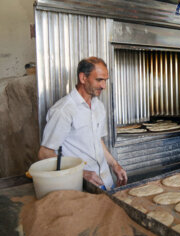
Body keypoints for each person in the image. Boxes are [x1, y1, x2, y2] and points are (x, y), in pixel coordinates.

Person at [38, 57, 127, 190]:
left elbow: (98, 141)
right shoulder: (64, 110)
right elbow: (44, 154)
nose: (104, 86)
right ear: (83, 78)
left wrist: (114, 165)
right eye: (99, 80)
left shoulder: (98, 106)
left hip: (106, 181)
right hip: (82, 186)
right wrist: (81, 173)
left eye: (105, 80)